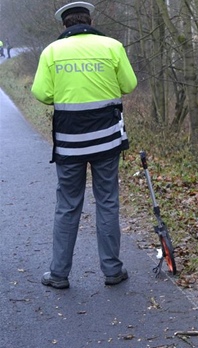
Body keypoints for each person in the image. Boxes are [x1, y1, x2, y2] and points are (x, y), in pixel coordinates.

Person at [31, 1, 137, 289]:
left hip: (69, 144)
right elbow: (128, 85)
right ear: (89, 21)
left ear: (65, 24)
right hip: (106, 141)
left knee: (67, 205)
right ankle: (113, 270)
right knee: (107, 201)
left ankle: (59, 274)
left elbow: (42, 92)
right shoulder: (112, 46)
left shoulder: (52, 51)